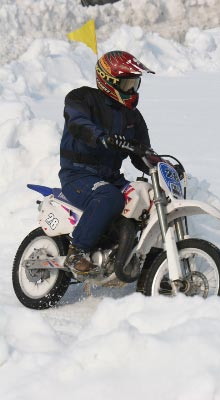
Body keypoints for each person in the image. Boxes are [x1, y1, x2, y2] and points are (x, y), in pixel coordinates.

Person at [59, 50, 155, 275]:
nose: (132, 90)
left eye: (135, 83)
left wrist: (160, 165)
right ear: (109, 81)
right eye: (127, 83)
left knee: (145, 198)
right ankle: (78, 252)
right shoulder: (82, 98)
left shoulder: (133, 116)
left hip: (110, 177)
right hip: (79, 175)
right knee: (109, 197)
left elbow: (143, 152)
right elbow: (78, 123)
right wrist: (102, 137)